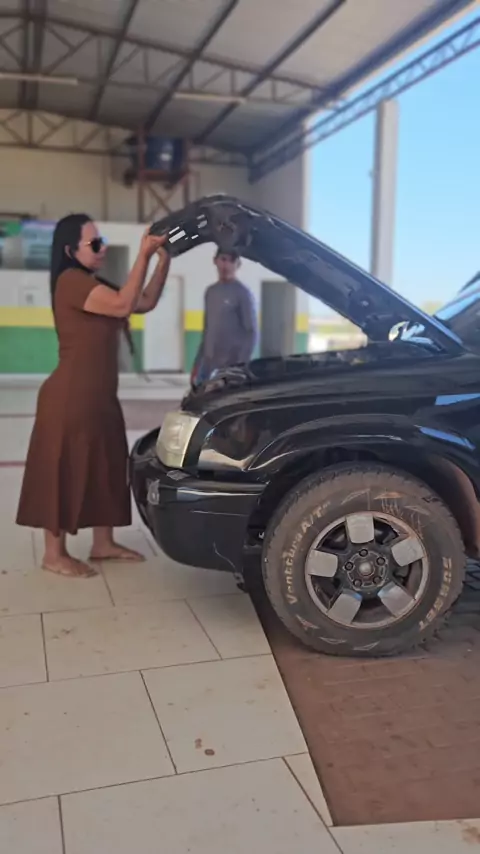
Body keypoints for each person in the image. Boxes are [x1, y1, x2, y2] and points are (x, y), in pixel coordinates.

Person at [16, 214, 170, 577]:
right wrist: (143, 254)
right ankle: (54, 554)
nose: (102, 249)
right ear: (71, 251)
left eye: (103, 242)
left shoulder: (93, 284)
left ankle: (103, 543)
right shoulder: (70, 281)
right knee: (62, 469)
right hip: (70, 398)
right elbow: (122, 304)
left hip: (100, 398)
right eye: (95, 244)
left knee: (107, 467)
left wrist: (164, 259)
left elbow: (144, 300)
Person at [191, 249, 257, 387]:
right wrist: (197, 364)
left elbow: (251, 332)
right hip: (208, 365)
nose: (226, 265)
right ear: (215, 261)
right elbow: (207, 330)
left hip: (229, 367)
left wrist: (239, 366)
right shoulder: (210, 292)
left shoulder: (242, 293)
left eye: (231, 261)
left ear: (238, 264)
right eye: (223, 259)